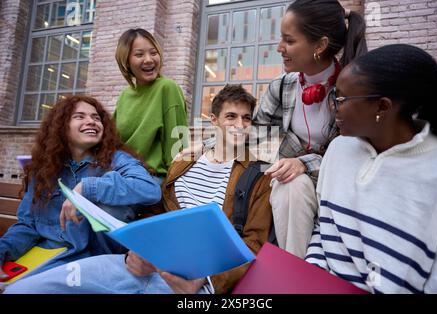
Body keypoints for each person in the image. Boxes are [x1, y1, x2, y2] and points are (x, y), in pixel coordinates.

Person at [4, 85, 273, 294]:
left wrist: (208, 279)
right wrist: (142, 249)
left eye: (247, 118)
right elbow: (155, 213)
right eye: (231, 116)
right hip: (142, 263)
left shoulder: (258, 174)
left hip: (198, 275)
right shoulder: (183, 162)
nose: (240, 124)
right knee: (20, 289)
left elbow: (254, 244)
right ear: (213, 120)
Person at [305, 44, 437, 293]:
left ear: (382, 107)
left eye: (341, 99)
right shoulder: (339, 149)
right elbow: (324, 227)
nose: (333, 108)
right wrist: (310, 273)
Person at [0, 95, 161, 289]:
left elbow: (149, 189)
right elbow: (27, 225)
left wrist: (88, 188)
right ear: (61, 126)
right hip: (49, 256)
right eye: (80, 116)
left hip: (100, 261)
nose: (91, 121)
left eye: (96, 117)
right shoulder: (43, 169)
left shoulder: (117, 160)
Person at [250, 0, 368, 258]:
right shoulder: (280, 87)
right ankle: (297, 272)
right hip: (290, 188)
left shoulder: (352, 92)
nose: (279, 48)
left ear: (320, 45)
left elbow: (357, 154)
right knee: (290, 185)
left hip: (337, 185)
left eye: (289, 41)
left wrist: (305, 162)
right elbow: (257, 140)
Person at [114, 28, 188, 179]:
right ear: (126, 61)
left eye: (153, 53)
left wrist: (172, 187)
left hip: (151, 179)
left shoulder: (167, 88)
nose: (148, 59)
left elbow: (177, 146)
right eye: (139, 54)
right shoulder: (124, 96)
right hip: (121, 175)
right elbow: (113, 140)